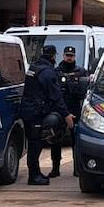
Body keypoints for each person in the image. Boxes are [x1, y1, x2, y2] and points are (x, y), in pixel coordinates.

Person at [21, 45, 71, 185]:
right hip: (36, 113)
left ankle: (35, 173)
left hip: (27, 110)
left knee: (32, 143)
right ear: (54, 56)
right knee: (36, 145)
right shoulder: (47, 72)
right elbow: (55, 96)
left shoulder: (33, 67)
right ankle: (34, 176)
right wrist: (66, 115)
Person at [50, 46, 87, 177]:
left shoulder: (81, 71)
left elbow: (85, 92)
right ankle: (55, 168)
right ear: (63, 56)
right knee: (56, 140)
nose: (69, 58)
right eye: (67, 55)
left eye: (71, 55)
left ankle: (77, 168)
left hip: (75, 109)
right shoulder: (56, 71)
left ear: (74, 56)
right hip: (60, 110)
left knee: (76, 141)